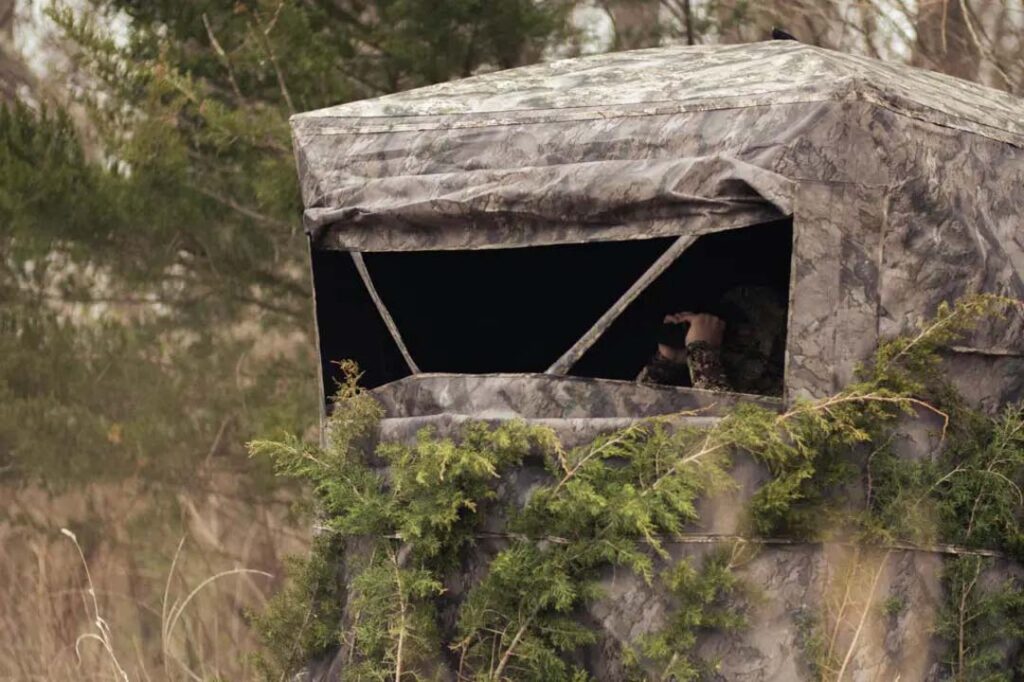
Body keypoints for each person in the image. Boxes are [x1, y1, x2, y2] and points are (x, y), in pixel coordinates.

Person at [636, 286, 786, 396]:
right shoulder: (711, 367)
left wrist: (701, 352)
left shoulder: (790, 383)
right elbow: (630, 412)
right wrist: (665, 363)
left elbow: (729, 424)